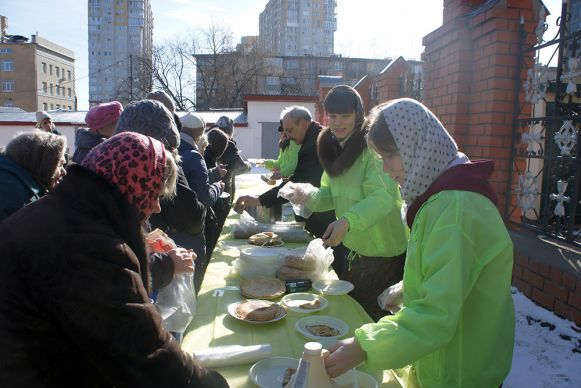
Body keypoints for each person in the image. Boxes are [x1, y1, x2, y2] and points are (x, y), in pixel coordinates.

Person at [0, 132, 228, 388]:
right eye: (154, 193)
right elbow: (147, 354)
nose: (156, 208)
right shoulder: (91, 246)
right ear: (134, 185)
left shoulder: (55, 211)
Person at [324, 98, 515, 387]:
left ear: (418, 146)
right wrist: (408, 289)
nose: (387, 169)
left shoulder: (454, 209)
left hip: (459, 370)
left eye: (390, 156)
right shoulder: (440, 197)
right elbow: (453, 274)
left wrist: (365, 346)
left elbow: (437, 314)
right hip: (444, 360)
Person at [283, 86, 408, 320]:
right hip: (354, 250)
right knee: (350, 315)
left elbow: (383, 198)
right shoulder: (333, 148)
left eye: (345, 116)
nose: (338, 123)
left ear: (358, 115)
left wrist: (348, 221)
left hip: (382, 253)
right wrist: (306, 195)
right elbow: (331, 195)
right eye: (333, 116)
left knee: (370, 320)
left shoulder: (372, 148)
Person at [114, 99, 204, 292]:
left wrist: (151, 253)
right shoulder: (99, 212)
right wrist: (166, 265)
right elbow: (113, 281)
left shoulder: (113, 188)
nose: (157, 207)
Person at [235, 106, 337, 244]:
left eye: (290, 130)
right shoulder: (314, 138)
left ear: (304, 124)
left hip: (327, 218)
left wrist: (260, 200)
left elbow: (297, 184)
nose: (287, 135)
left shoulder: (313, 145)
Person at [177, 112, 223, 291]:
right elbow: (205, 197)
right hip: (191, 232)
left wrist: (212, 173)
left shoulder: (171, 150)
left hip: (171, 229)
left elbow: (186, 181)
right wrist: (219, 186)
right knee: (193, 282)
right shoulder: (195, 156)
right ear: (199, 134)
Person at [0, 130, 66, 221]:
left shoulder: (19, 182)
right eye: (59, 165)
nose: (64, 172)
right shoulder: (19, 200)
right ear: (43, 164)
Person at [211, 115, 251, 231]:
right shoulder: (227, 143)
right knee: (221, 221)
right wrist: (248, 166)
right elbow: (240, 166)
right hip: (224, 188)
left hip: (210, 186)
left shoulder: (210, 138)